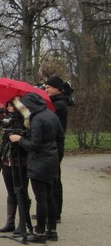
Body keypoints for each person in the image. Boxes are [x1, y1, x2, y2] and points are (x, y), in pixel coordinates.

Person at [8, 92, 65, 242]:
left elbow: (34, 144)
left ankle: (39, 232)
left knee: (41, 198)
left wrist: (19, 139)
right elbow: (61, 137)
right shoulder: (51, 115)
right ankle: (51, 230)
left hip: (39, 162)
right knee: (49, 196)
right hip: (52, 159)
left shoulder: (36, 119)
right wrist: (57, 156)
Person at [0, 99, 31, 234]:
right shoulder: (7, 123)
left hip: (21, 161)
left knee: (21, 191)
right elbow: (3, 144)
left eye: (11, 105)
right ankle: (10, 222)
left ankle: (23, 222)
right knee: (11, 192)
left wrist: (18, 136)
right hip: (7, 161)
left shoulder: (26, 122)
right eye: (7, 105)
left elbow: (29, 140)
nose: (8, 108)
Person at [43, 76, 71, 222]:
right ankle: (48, 210)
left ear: (58, 89)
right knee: (48, 178)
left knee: (54, 179)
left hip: (55, 145)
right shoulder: (53, 103)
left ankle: (55, 212)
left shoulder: (59, 105)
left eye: (49, 87)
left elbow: (51, 125)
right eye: (45, 87)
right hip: (51, 145)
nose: (46, 90)